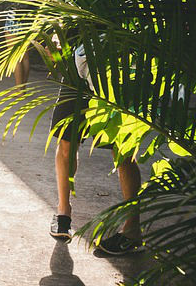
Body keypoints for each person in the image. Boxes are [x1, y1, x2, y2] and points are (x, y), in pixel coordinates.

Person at [49, 46, 144, 255]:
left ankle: (132, 231)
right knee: (66, 141)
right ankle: (63, 213)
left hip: (118, 65)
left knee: (123, 150)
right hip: (77, 64)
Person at [0, 0, 42, 85]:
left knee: (15, 56)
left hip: (14, 19)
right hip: (29, 21)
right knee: (25, 56)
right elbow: (42, 0)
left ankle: (19, 91)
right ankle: (23, 88)